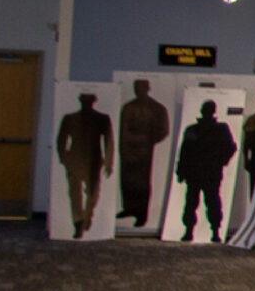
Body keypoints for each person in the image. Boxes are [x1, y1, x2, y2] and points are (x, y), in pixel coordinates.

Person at [174, 100, 237, 242]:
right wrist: (181, 170)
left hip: (210, 172)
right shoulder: (193, 130)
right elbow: (184, 152)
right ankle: (190, 230)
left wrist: (220, 161)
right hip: (196, 172)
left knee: (211, 202)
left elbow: (230, 148)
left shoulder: (220, 129)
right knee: (192, 203)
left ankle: (214, 231)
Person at [55, 92, 114, 239]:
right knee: (75, 193)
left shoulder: (102, 119)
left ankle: (86, 218)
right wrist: (63, 157)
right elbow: (61, 138)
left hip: (93, 159)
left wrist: (108, 161)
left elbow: (109, 141)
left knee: (93, 193)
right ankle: (78, 222)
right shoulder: (70, 118)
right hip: (75, 159)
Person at [115, 80, 169, 228]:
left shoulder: (157, 108)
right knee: (127, 181)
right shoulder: (128, 107)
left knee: (142, 183)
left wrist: (147, 140)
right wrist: (124, 147)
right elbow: (122, 129)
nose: (138, 91)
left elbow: (163, 130)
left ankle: (141, 215)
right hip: (127, 148)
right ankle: (129, 208)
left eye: (141, 88)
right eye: (136, 88)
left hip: (145, 150)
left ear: (147, 89)